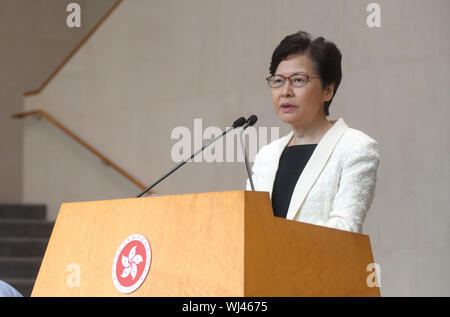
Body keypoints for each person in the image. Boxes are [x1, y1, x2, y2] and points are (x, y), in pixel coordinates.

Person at [246, 31, 381, 234]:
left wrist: (278, 240)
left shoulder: (356, 148)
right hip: (265, 266)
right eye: (278, 80)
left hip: (321, 265)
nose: (285, 91)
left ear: (328, 90)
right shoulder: (267, 154)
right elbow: (248, 223)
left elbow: (344, 230)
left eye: (298, 80)